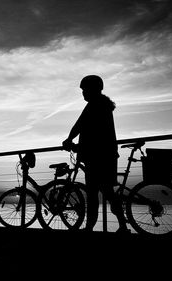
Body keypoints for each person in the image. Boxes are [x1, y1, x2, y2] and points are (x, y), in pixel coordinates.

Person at [62, 75, 129, 234]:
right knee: (107, 193)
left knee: (93, 194)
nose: (83, 93)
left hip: (98, 157)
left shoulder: (95, 105)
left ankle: (92, 227)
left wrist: (69, 139)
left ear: (92, 89)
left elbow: (80, 125)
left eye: (84, 89)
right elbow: (92, 131)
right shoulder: (102, 104)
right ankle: (121, 226)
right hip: (105, 155)